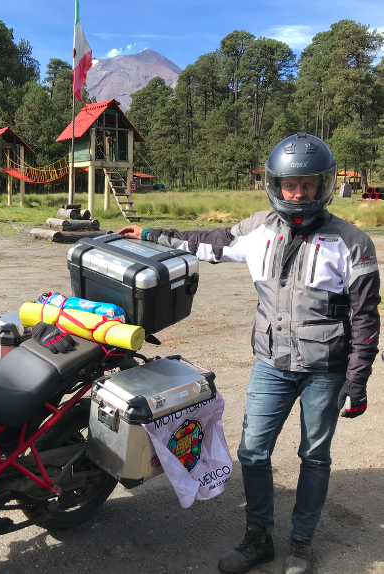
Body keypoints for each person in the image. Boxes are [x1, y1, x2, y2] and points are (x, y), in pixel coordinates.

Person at [119, 133, 380, 574]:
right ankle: (258, 538)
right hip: (271, 364)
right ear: (275, 185)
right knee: (253, 453)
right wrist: (150, 232)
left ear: (323, 185)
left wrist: (357, 381)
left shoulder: (352, 242)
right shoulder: (259, 228)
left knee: (314, 456)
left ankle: (301, 543)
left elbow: (366, 318)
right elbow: (209, 241)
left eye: (309, 185)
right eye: (290, 185)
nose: (299, 194)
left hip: (326, 369)